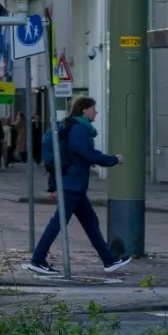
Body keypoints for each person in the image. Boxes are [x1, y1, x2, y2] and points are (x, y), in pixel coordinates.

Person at [27, 97, 132, 275]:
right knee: (57, 223)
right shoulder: (79, 129)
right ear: (84, 110)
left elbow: (62, 157)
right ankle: (37, 260)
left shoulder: (71, 127)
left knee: (90, 222)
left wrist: (53, 185)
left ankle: (109, 260)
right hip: (72, 185)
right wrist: (113, 159)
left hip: (74, 185)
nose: (96, 112)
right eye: (93, 108)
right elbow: (86, 154)